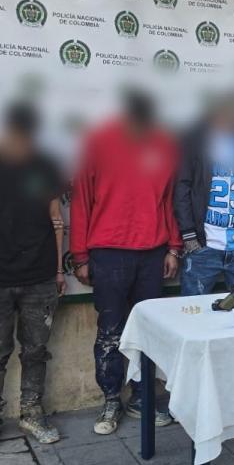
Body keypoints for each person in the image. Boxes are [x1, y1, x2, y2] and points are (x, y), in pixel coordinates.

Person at [70, 90, 181, 435]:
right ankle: (111, 400)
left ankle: (142, 398)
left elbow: (169, 200)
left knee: (148, 332)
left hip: (152, 253)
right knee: (110, 332)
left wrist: (174, 247)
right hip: (108, 253)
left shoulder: (164, 144)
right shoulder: (98, 141)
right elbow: (81, 200)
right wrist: (80, 255)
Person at [0, 102, 65, 454]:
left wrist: (58, 269)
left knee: (36, 350)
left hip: (40, 274)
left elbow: (55, 215)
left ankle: (32, 413)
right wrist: (7, 223)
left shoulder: (46, 164)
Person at [174, 95, 234, 295]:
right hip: (203, 247)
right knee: (193, 310)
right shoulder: (197, 143)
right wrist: (190, 237)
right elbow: (182, 188)